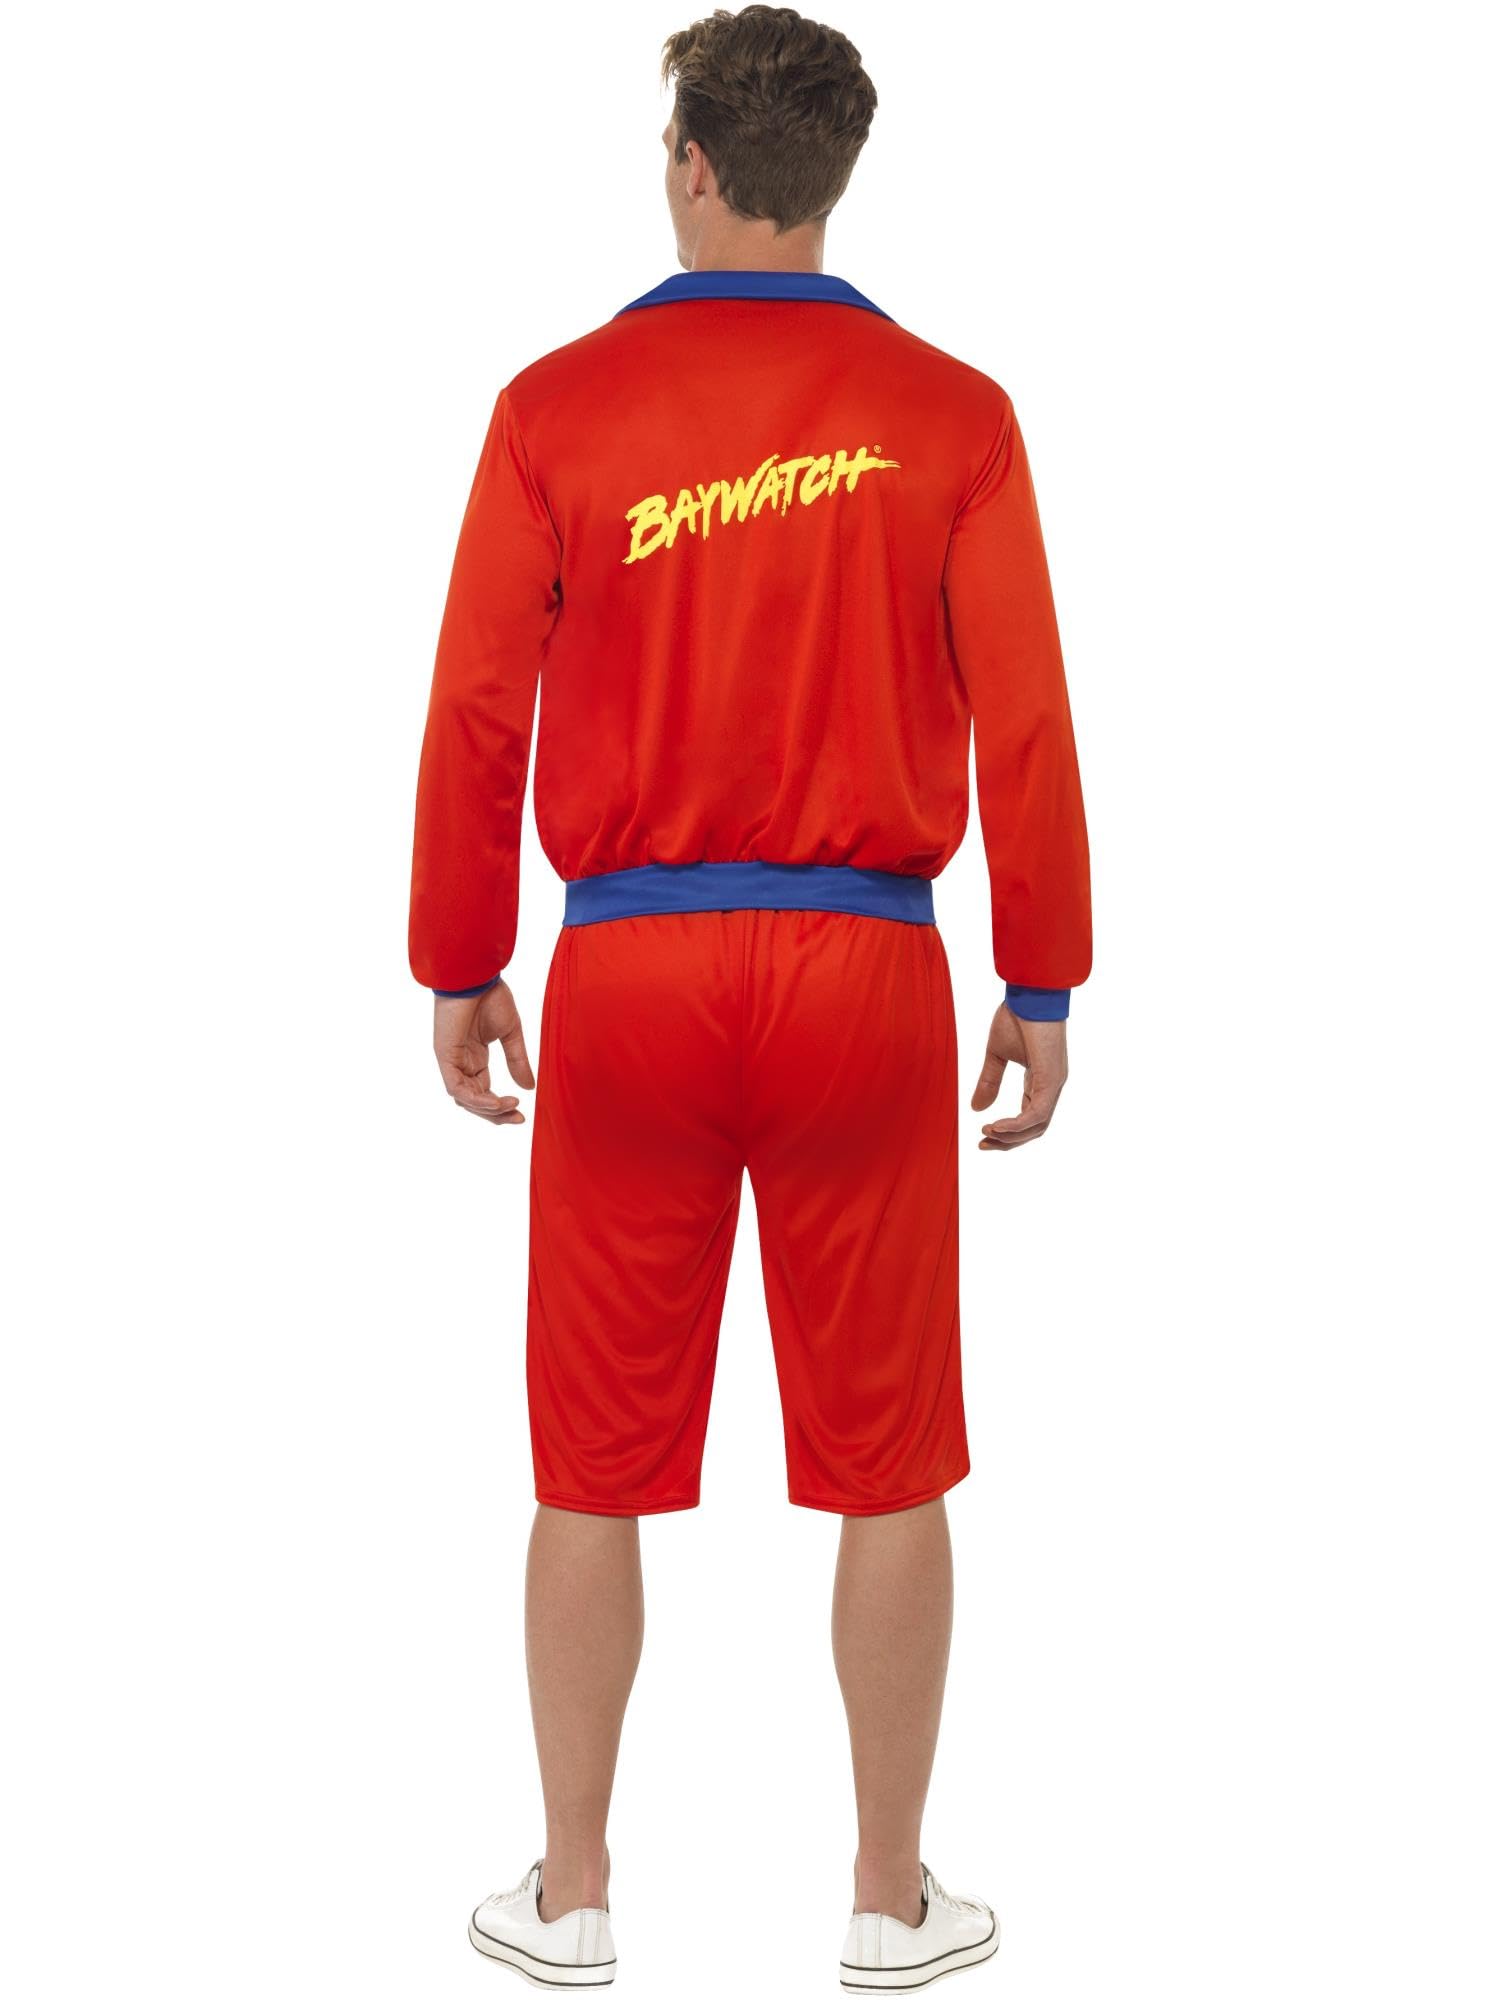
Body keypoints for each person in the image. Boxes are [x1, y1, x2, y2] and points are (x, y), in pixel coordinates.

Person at [408, 6, 1090, 1989]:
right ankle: (888, 1898)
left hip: (630, 968)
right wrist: (1043, 973)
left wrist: (460, 957)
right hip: (866, 970)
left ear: (696, 166)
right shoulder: (956, 417)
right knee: (893, 1456)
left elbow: (477, 706)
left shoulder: (555, 408)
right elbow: (1027, 717)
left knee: (590, 1459)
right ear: (831, 174)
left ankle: (573, 1893)